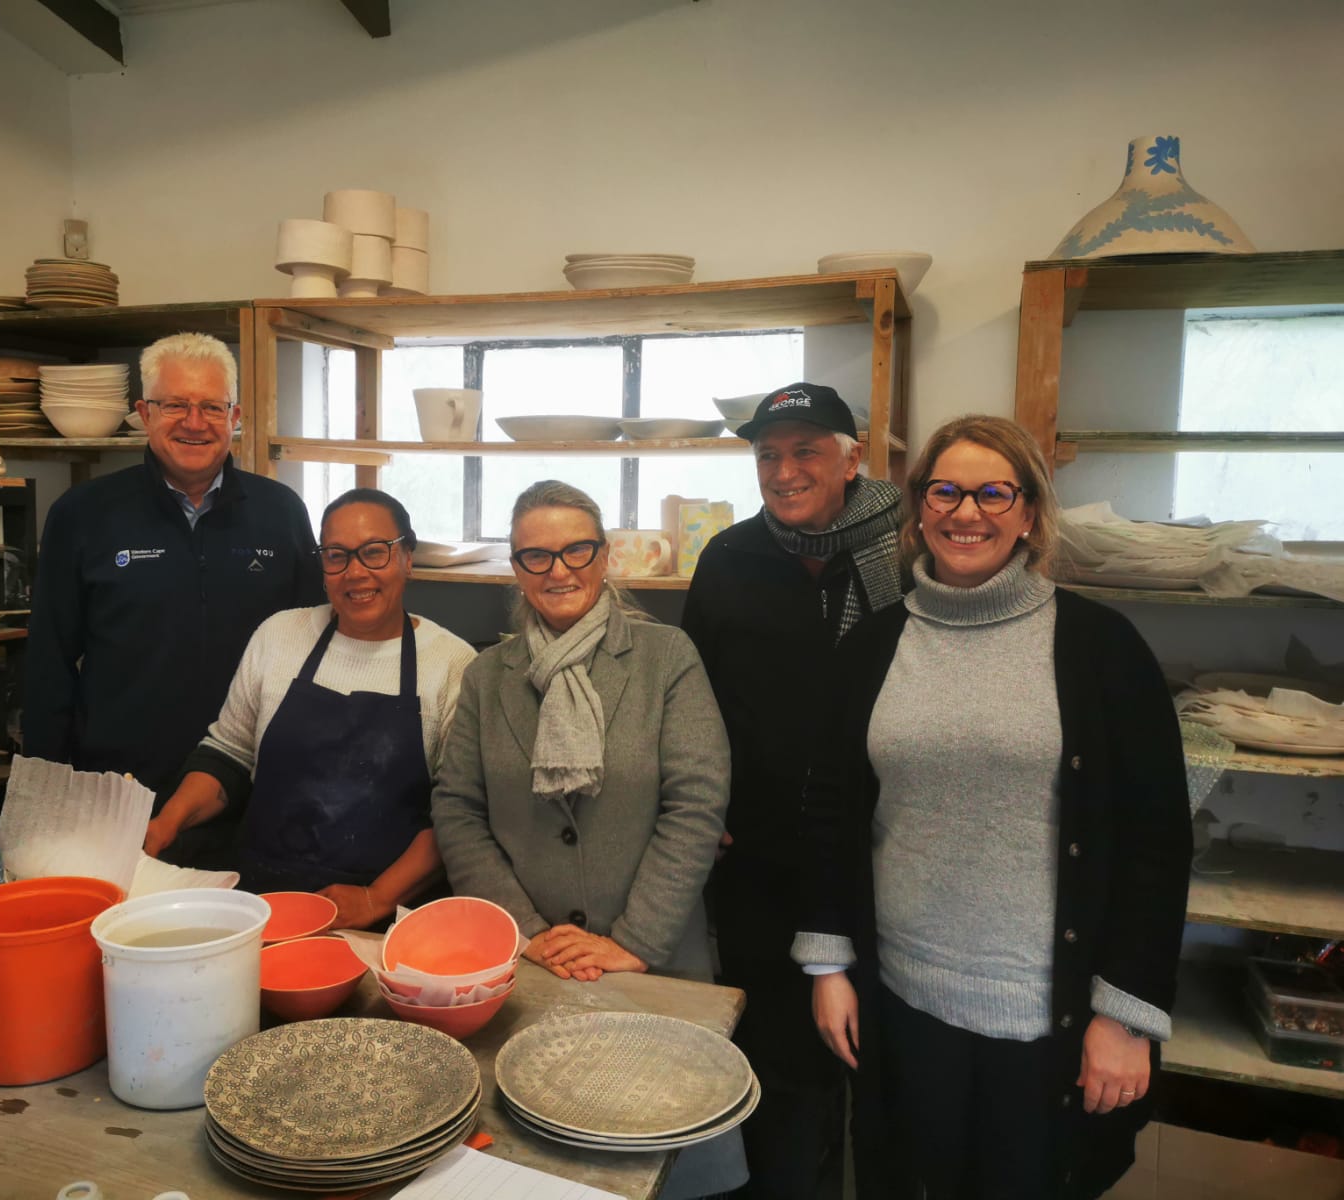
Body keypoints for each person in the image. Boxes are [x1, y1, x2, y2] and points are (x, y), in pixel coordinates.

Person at [796, 415, 1191, 1198]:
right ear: (919, 510)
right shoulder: (874, 648)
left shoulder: (1102, 649)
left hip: (1048, 1015)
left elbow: (1157, 842)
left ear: (1030, 514)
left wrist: (1126, 1014)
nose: (964, 512)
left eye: (991, 493)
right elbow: (834, 815)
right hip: (903, 998)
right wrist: (829, 962)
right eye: (944, 490)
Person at [680, 382, 903, 1199]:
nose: (783, 470)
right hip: (759, 858)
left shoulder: (910, 554)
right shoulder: (729, 557)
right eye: (768, 454)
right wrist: (709, 810)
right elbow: (693, 700)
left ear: (853, 458)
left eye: (806, 449)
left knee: (875, 1053)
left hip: (881, 848)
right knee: (775, 1060)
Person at [23, 332, 323, 860]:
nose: (194, 421)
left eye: (211, 406)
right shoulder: (83, 514)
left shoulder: (282, 513)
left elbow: (315, 653)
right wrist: (50, 796)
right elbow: (49, 663)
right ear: (143, 412)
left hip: (255, 791)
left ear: (235, 416)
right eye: (174, 405)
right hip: (123, 796)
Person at [432, 480, 730, 983]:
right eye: (537, 557)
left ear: (604, 557)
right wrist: (524, 932)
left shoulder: (667, 657)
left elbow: (697, 805)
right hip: (529, 960)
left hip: (653, 963)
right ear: (517, 567)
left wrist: (635, 941)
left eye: (577, 551)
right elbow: (458, 809)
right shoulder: (486, 676)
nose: (559, 571)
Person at [144, 488, 475, 927]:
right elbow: (229, 754)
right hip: (263, 900)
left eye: (375, 553)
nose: (355, 573)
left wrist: (375, 898)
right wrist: (165, 825)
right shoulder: (279, 635)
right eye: (336, 555)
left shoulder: (452, 664)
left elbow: (456, 815)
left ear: (407, 558)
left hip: (382, 918)